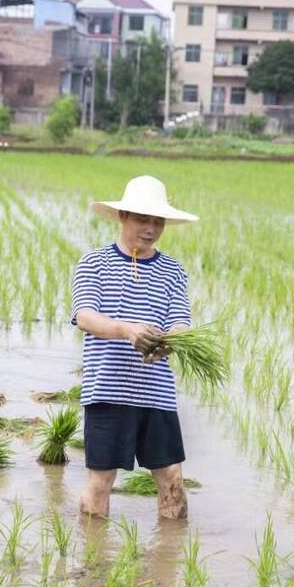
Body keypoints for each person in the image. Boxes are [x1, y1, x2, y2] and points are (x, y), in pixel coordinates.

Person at [70, 175, 199, 520]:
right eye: (143, 219)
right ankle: (93, 565)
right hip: (107, 390)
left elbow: (181, 322)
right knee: (100, 481)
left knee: (172, 479)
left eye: (158, 221)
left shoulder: (173, 271)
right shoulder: (94, 263)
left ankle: (170, 563)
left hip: (156, 392)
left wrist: (169, 342)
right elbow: (84, 316)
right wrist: (127, 330)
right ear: (123, 216)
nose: (151, 228)